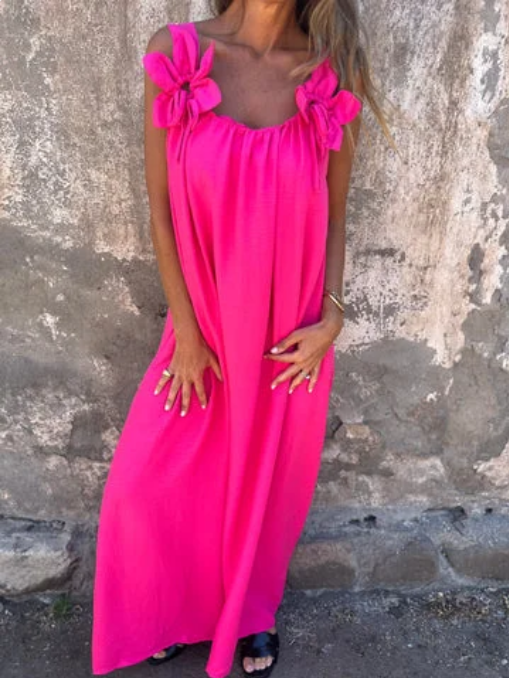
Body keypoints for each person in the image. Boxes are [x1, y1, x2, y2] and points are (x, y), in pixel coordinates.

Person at [91, 1, 389, 677]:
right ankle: (171, 605)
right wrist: (186, 331)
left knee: (264, 487)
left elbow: (336, 213)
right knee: (146, 481)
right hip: (201, 324)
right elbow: (160, 208)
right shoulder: (177, 54)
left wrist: (332, 318)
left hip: (289, 336)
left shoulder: (328, 75)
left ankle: (251, 613)